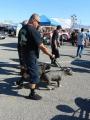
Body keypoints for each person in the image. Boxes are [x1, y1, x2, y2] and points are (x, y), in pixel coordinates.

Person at [17, 13, 55, 100]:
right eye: (38, 22)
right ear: (33, 20)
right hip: (30, 56)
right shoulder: (33, 30)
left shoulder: (22, 29)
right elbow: (42, 47)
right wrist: (50, 55)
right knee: (35, 75)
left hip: (23, 54)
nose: (39, 24)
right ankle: (32, 94)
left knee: (29, 70)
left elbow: (20, 44)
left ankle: (20, 81)